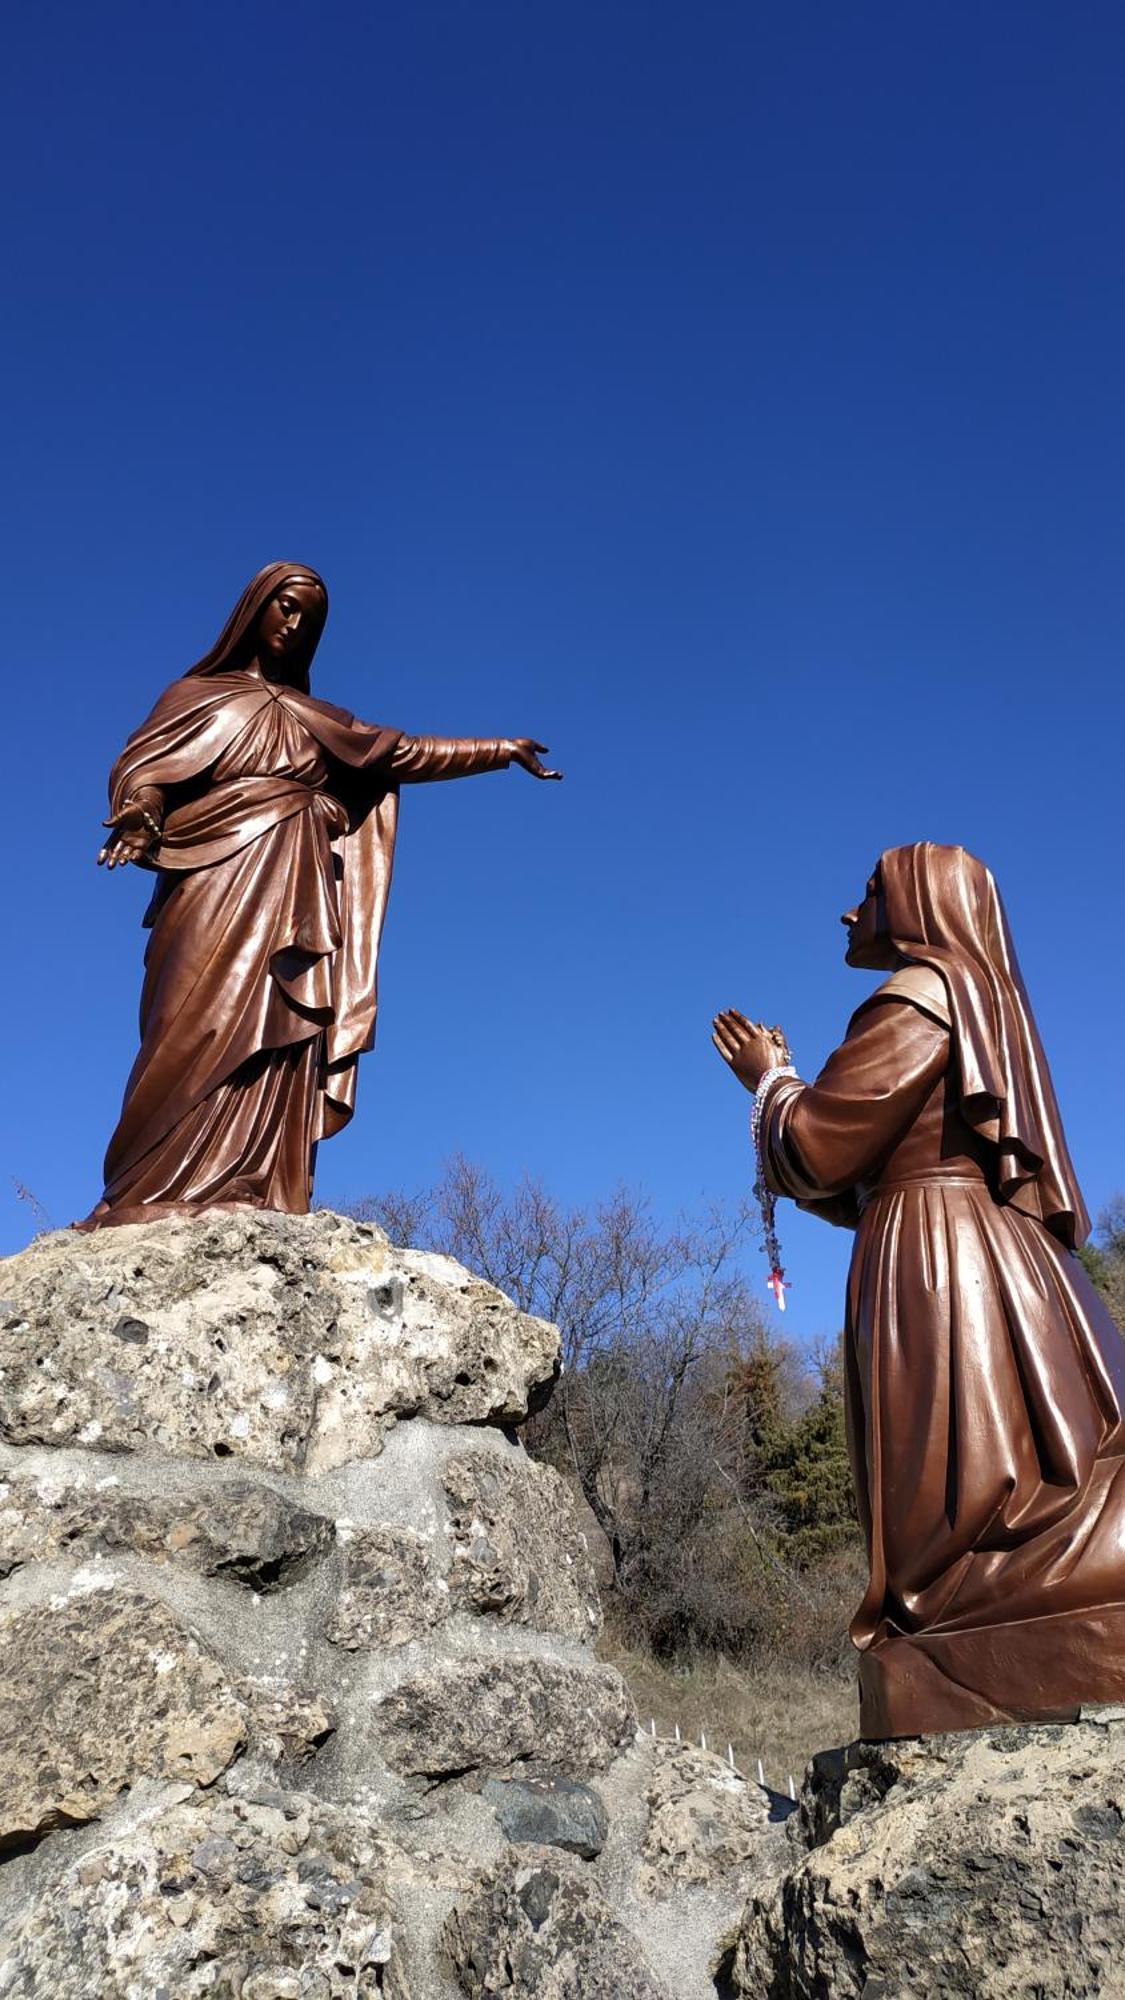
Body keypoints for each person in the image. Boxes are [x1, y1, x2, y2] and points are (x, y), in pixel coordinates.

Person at [712, 842, 1125, 1738]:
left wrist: (769, 1082)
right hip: (999, 1255)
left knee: (961, 1508)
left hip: (941, 1267)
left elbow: (820, 1148)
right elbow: (858, 1174)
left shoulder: (918, 991)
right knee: (1008, 1456)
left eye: (866, 891)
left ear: (917, 900)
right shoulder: (989, 1004)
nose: (848, 911)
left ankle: (969, 1626)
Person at [80, 562, 559, 1229]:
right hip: (215, 872)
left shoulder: (318, 718)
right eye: (285, 606)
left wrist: (497, 749)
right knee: (189, 1023)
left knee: (276, 1024)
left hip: (294, 882)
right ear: (254, 608)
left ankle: (251, 1182)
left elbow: (404, 754)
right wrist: (142, 810)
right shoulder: (195, 696)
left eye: (310, 617)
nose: (295, 624)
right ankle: (149, 1182)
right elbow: (145, 770)